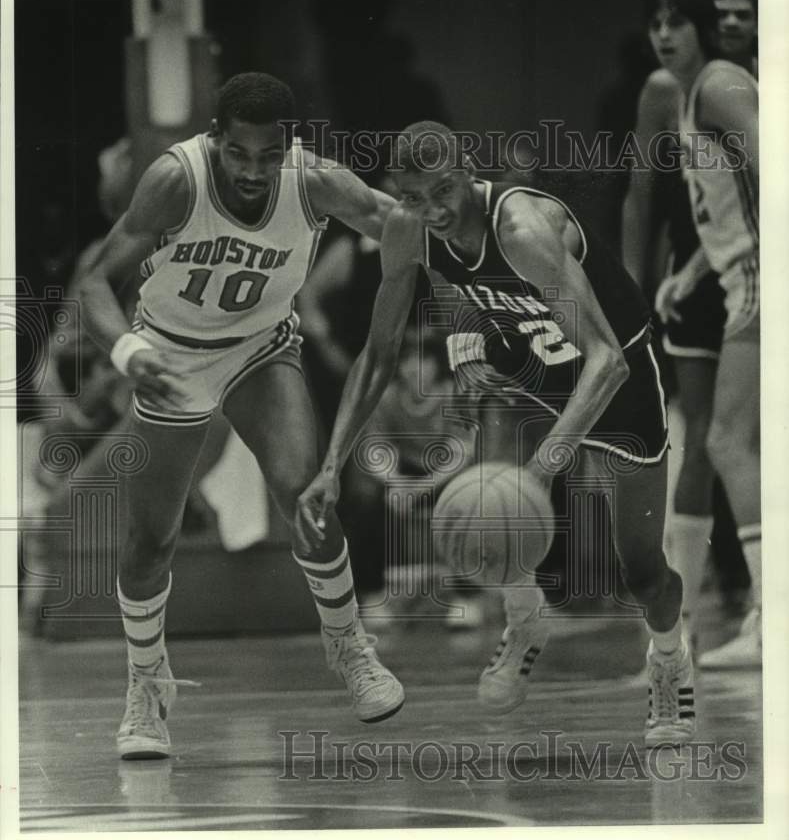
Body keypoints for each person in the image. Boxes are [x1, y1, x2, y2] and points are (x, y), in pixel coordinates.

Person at [297, 121, 696, 748]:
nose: (433, 211)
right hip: (527, 360)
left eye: (444, 191)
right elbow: (377, 355)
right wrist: (330, 464)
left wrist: (542, 472)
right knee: (489, 487)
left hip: (613, 374)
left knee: (643, 573)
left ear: (467, 173)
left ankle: (669, 659)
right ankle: (523, 614)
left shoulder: (524, 232)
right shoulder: (408, 228)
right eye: (415, 198)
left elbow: (607, 362)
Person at [78, 72, 405, 760]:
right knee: (149, 542)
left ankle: (349, 646)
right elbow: (93, 281)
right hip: (169, 356)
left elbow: (402, 223)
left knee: (303, 492)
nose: (253, 171)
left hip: (260, 348)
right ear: (214, 140)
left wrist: (487, 238)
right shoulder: (175, 179)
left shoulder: (315, 181)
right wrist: (129, 351)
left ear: (288, 143)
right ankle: (146, 688)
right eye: (238, 154)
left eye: (268, 155)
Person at [621, 0, 758, 660]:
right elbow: (694, 201)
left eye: (678, 22)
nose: (664, 33)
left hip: (756, 274)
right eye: (656, 23)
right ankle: (696, 624)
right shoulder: (677, 92)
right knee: (713, 440)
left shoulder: (720, 87)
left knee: (729, 442)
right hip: (721, 274)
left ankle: (765, 616)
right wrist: (678, 274)